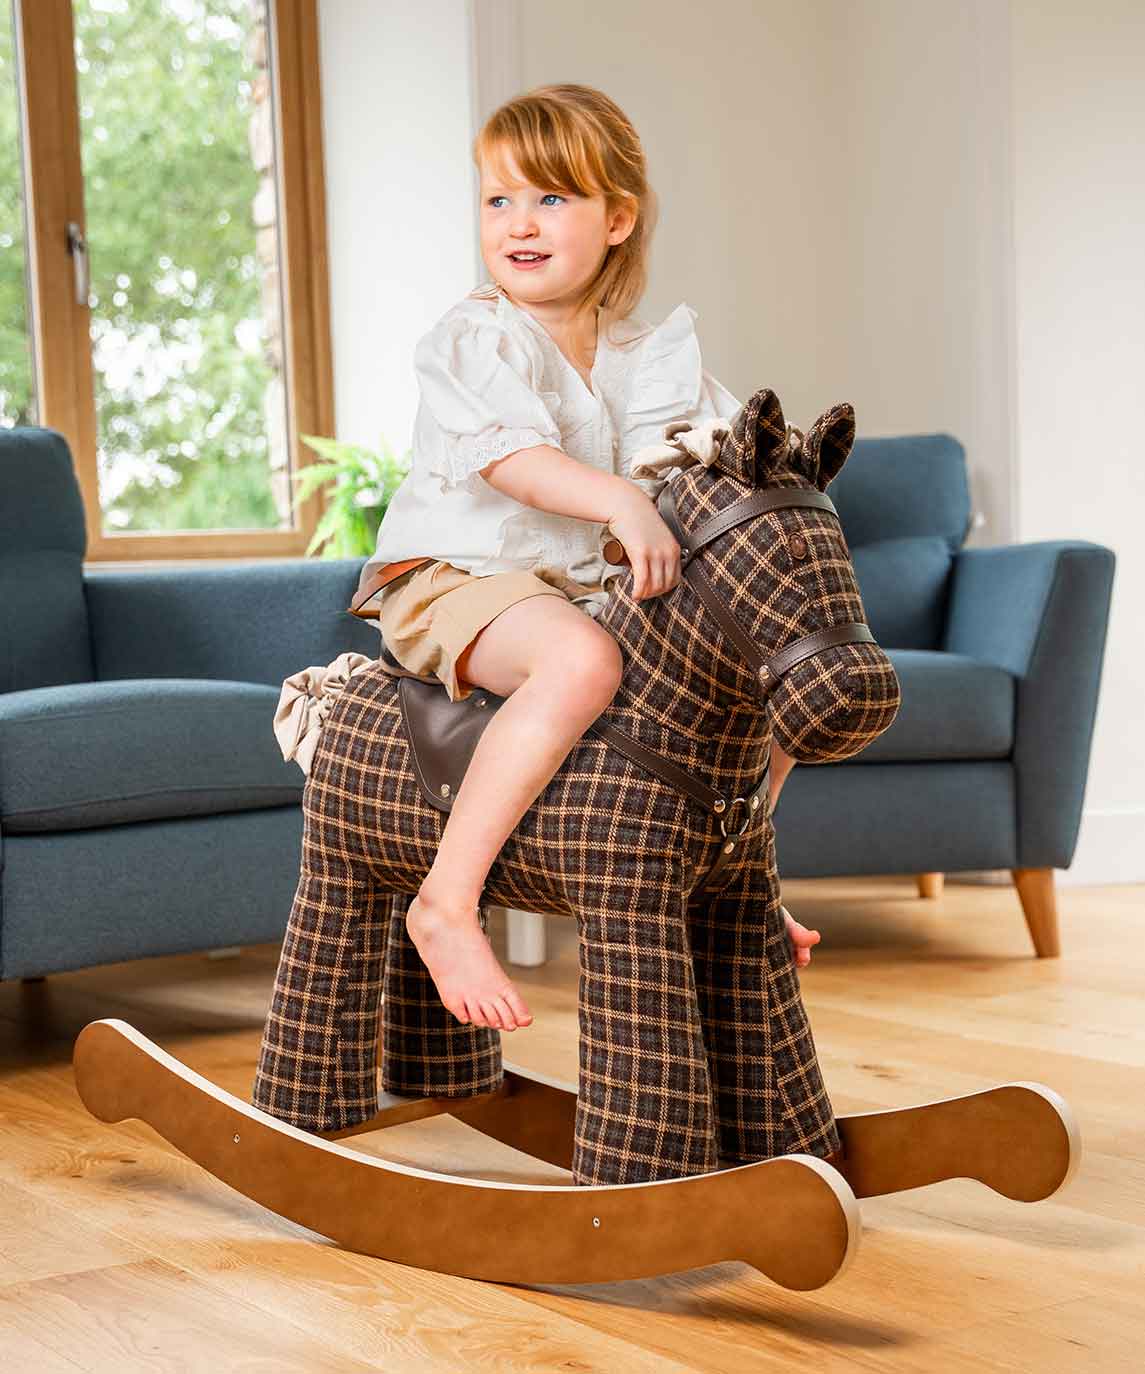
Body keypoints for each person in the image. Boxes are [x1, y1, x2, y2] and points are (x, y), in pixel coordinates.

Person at [356, 83, 814, 1035]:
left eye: (550, 198)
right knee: (581, 661)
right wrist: (617, 499)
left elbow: (726, 454)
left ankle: (734, 872)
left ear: (617, 218)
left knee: (771, 675)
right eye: (498, 200)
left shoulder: (654, 356)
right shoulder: (471, 338)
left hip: (587, 590)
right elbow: (514, 463)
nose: (518, 223)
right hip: (455, 576)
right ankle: (446, 900)